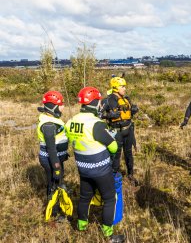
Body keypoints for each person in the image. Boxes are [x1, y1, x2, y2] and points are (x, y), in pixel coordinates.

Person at [65, 86, 124, 242]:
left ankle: (81, 226)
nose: (100, 104)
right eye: (99, 101)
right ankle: (108, 234)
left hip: (83, 169)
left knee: (85, 197)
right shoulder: (96, 124)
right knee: (110, 199)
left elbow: (72, 140)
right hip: (101, 169)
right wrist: (112, 144)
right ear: (95, 103)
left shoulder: (71, 121)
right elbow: (113, 146)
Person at [101, 76, 139, 186]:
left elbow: (127, 114)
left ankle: (130, 174)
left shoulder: (126, 99)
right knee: (116, 156)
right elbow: (98, 115)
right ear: (115, 88)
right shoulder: (107, 100)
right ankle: (114, 177)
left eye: (124, 86)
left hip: (128, 130)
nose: (125, 89)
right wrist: (108, 115)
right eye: (122, 86)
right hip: (116, 132)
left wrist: (133, 111)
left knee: (129, 154)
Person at [37, 91, 69, 214]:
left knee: (57, 181)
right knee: (53, 182)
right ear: (53, 107)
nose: (63, 107)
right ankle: (53, 210)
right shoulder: (49, 125)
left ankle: (56, 205)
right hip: (51, 160)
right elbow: (51, 148)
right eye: (61, 104)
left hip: (55, 158)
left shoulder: (51, 119)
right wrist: (56, 167)